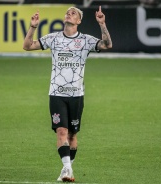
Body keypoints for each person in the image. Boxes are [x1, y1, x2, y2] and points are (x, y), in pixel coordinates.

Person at [23, 6, 112, 182]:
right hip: (56, 93)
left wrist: (102, 24)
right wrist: (33, 27)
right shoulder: (54, 38)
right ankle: (67, 169)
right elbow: (27, 46)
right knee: (61, 131)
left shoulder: (86, 40)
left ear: (79, 21)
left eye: (74, 13)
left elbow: (107, 44)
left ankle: (67, 169)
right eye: (68, 12)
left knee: (72, 135)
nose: (69, 14)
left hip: (77, 95)